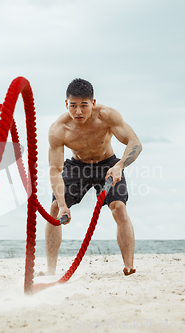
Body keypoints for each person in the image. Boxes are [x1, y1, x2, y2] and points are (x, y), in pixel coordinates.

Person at [46, 78, 142, 276]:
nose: (78, 112)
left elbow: (134, 142)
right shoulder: (58, 129)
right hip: (77, 166)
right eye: (73, 106)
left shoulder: (107, 116)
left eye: (84, 105)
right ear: (66, 104)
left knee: (119, 208)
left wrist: (119, 165)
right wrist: (63, 205)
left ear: (93, 103)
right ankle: (50, 270)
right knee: (55, 208)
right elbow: (55, 170)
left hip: (107, 164)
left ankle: (129, 266)